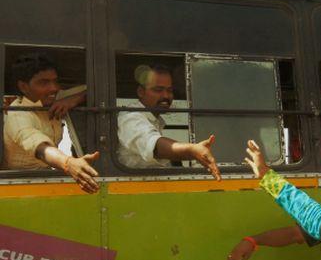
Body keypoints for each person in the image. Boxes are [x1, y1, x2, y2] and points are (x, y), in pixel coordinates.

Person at [3, 53, 100, 194]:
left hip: (46, 178)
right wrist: (68, 163)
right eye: (43, 82)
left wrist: (73, 100)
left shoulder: (51, 99)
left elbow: (95, 89)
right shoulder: (18, 114)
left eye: (55, 81)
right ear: (23, 87)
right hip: (20, 186)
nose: (54, 88)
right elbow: (41, 148)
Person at [117, 64, 220, 179]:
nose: (166, 96)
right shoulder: (130, 118)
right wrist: (192, 150)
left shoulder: (154, 120)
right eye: (158, 90)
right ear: (141, 92)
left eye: (169, 90)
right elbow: (154, 144)